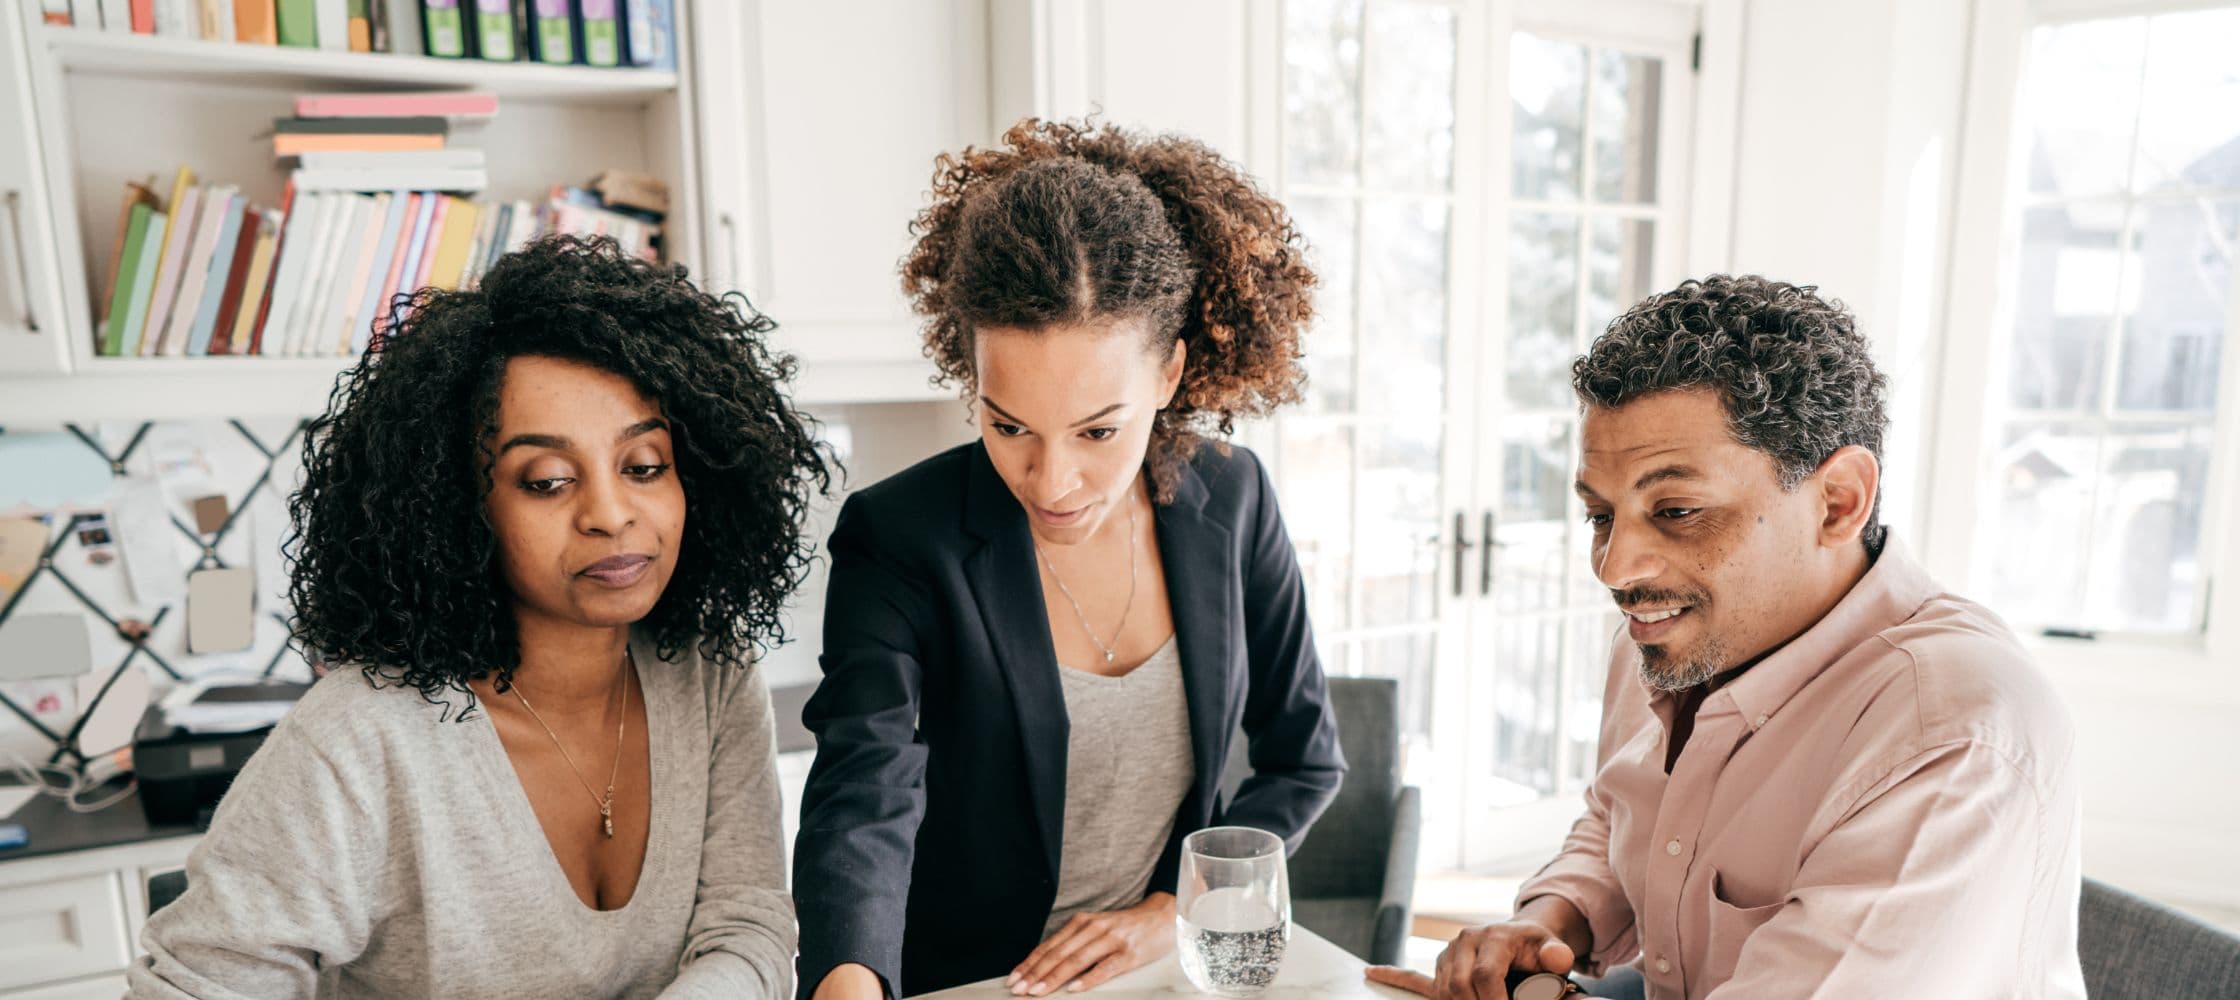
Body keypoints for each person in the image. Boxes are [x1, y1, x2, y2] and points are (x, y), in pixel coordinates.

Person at [129, 236, 828, 999]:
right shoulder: (361, 740)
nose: (611, 514)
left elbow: (748, 922)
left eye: (644, 467)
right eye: (549, 481)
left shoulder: (710, 674)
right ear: (459, 510)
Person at [1369, 275, 2085, 1000]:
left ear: (1837, 501)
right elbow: (1626, 811)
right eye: (1600, 515)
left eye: (1676, 510)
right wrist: (1554, 921)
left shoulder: (1954, 736)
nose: (1616, 569)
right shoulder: (1668, 632)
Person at [793, 118, 1346, 999]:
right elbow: (864, 788)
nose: (1051, 481)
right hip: (972, 984)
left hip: (1169, 972)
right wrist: (847, 980)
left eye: (1098, 430)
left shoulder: (1234, 499)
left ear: (1168, 376)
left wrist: (1177, 907)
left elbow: (1303, 760)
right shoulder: (898, 537)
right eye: (1007, 424)